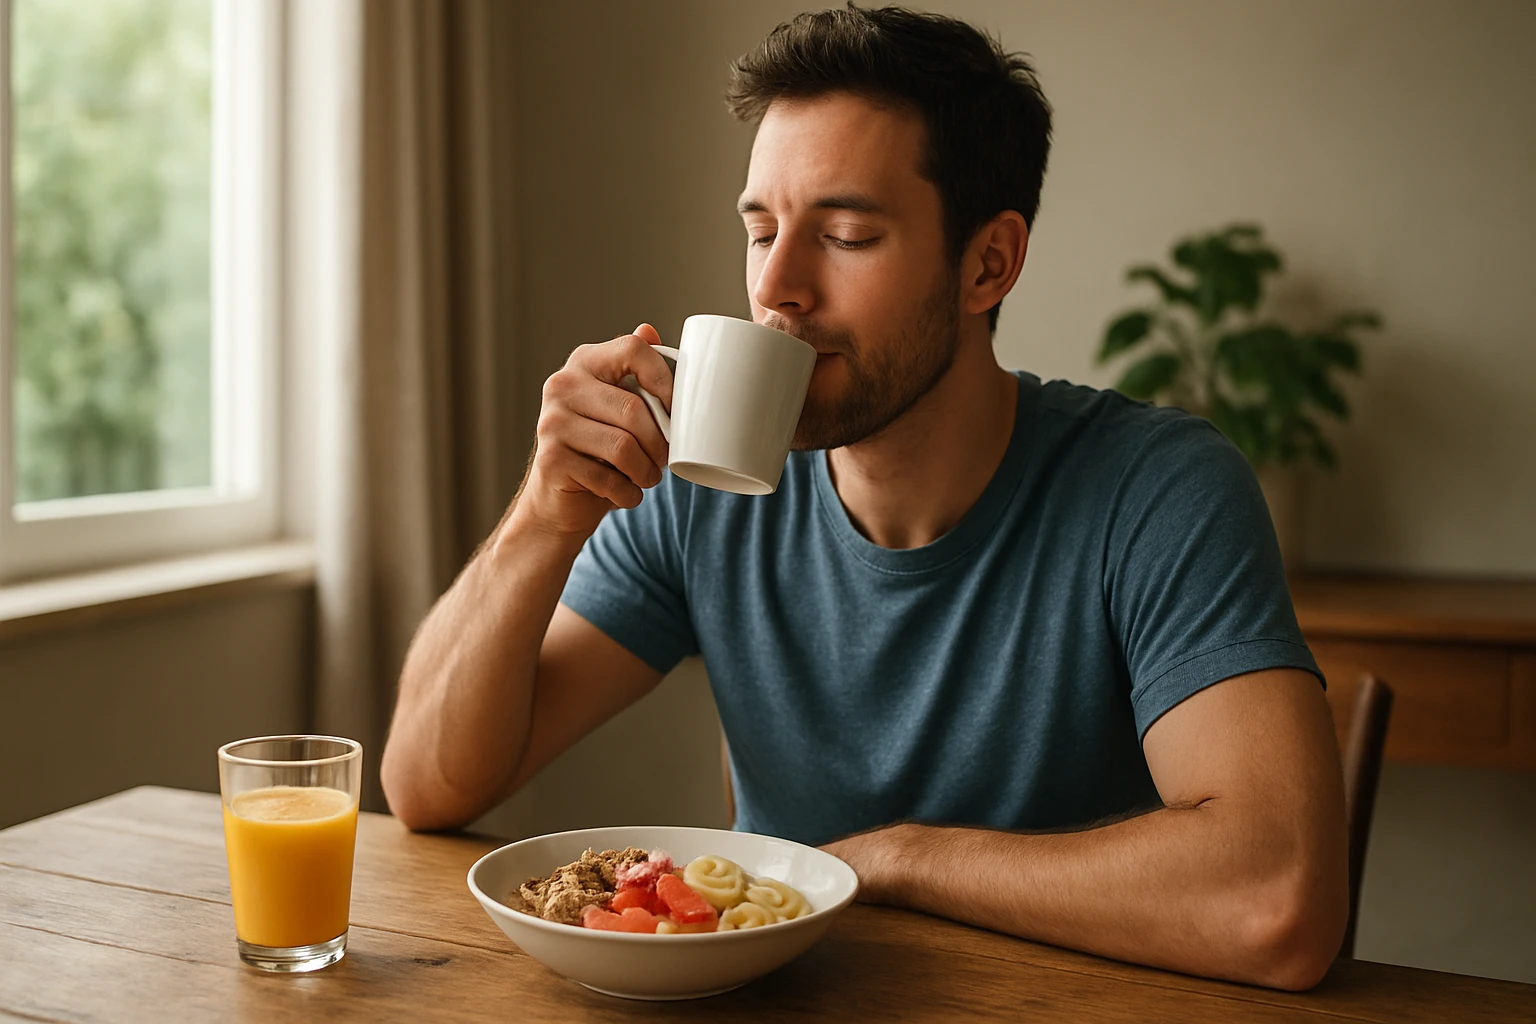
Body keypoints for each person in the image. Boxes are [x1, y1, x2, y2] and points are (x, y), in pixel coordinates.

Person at [381, 4, 1347, 991]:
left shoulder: (1157, 491)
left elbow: (1275, 901)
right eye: (761, 232)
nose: (778, 290)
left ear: (989, 262)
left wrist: (892, 859)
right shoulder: (706, 487)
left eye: (844, 234)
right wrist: (545, 515)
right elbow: (429, 782)